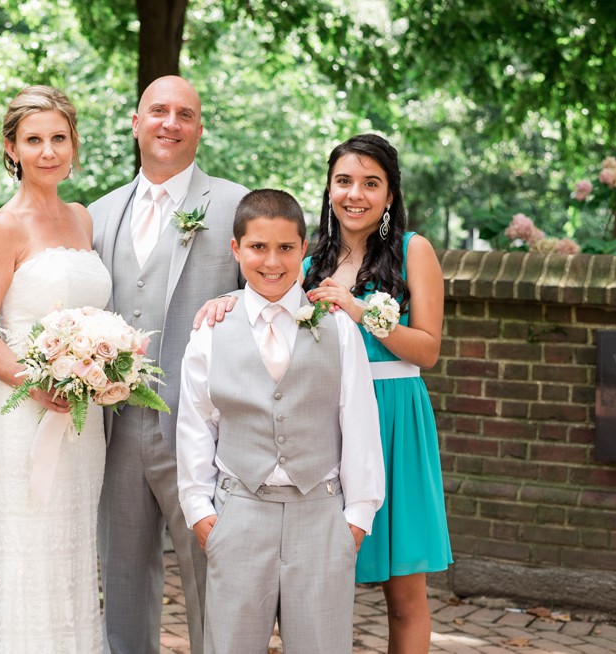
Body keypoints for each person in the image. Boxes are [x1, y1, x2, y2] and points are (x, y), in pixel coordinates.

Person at [177, 189, 385, 653]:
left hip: (321, 517)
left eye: (286, 248)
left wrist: (356, 518)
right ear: (236, 249)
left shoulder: (337, 327)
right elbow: (197, 424)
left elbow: (358, 423)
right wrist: (201, 512)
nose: (272, 261)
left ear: (305, 248)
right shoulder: (212, 330)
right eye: (257, 247)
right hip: (238, 514)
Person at [89, 75, 249, 653]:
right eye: (158, 111)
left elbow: (273, 303)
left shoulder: (235, 206)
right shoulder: (99, 214)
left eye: (185, 114)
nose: (170, 123)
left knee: (213, 576)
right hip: (116, 428)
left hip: (204, 432)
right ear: (136, 123)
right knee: (124, 581)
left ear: (199, 129)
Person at [0, 85, 110, 652]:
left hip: (82, 414)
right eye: (34, 140)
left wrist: (96, 364)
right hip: (24, 412)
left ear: (73, 144)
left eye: (58, 138)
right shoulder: (4, 228)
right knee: (29, 553)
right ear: (12, 148)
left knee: (73, 550)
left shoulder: (82, 218)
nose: (48, 151)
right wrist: (38, 383)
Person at [303, 134, 452, 653]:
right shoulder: (308, 261)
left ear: (389, 196)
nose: (355, 194)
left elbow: (427, 350)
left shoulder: (415, 251)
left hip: (393, 422)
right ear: (328, 189)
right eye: (344, 181)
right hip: (326, 425)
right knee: (316, 583)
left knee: (403, 592)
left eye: (371, 183)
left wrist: (360, 309)